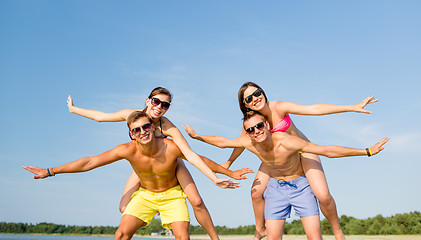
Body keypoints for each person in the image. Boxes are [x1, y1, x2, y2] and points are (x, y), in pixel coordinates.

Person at [184, 82, 378, 240]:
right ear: (245, 105)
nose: (255, 98)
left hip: (302, 151)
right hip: (276, 157)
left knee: (323, 195)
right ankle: (260, 229)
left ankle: (337, 231)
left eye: (257, 93)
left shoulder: (278, 107)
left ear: (263, 92)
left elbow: (314, 109)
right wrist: (227, 161)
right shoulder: (252, 123)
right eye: (249, 98)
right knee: (255, 192)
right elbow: (235, 143)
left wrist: (351, 107)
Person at [67, 87, 253, 240]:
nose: (160, 107)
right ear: (148, 100)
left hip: (170, 164)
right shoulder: (132, 115)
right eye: (156, 101)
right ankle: (155, 204)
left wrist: (218, 176)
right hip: (144, 166)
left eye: (165, 105)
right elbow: (101, 117)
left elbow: (191, 155)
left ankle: (214, 238)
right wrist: (75, 109)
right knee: (123, 208)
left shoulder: (168, 127)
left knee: (196, 200)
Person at [23, 111, 240, 240]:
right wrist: (50, 171)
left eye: (146, 127)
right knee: (120, 235)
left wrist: (226, 172)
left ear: (153, 127)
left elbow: (199, 158)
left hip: (173, 195)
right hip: (145, 195)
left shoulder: (170, 146)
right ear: (131, 134)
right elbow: (90, 161)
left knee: (183, 237)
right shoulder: (127, 149)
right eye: (136, 130)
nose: (142, 132)